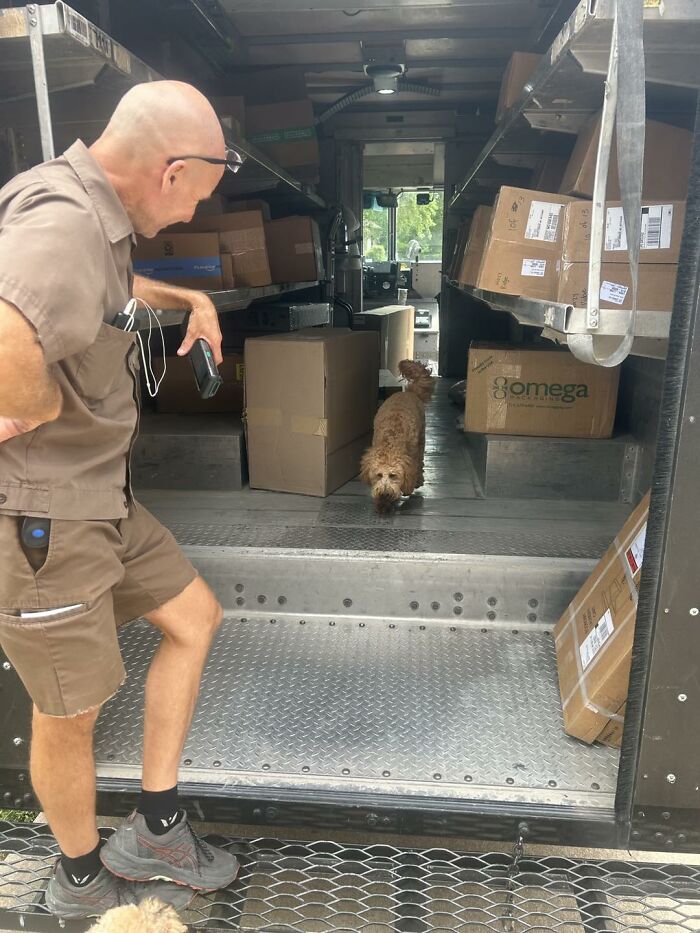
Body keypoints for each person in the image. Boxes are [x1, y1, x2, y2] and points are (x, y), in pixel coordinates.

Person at [0, 81, 241, 920]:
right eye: (197, 198)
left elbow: (113, 285)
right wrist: (39, 408)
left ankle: (157, 826)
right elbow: (6, 329)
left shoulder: (95, 219)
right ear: (171, 171)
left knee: (193, 616)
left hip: (103, 498)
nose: (188, 216)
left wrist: (192, 298)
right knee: (70, 708)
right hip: (45, 517)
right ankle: (76, 875)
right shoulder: (63, 220)